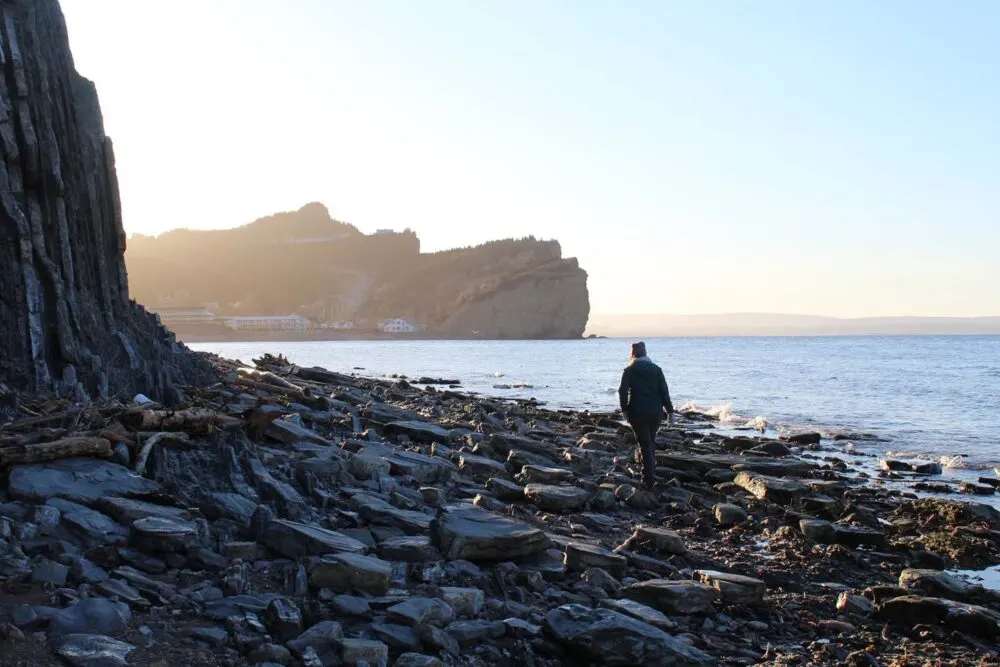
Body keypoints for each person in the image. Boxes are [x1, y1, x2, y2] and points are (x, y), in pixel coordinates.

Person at [618, 341, 674, 488]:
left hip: (637, 412)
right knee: (650, 442)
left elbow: (622, 391)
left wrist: (624, 409)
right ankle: (650, 473)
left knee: (644, 444)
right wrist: (670, 411)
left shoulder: (629, 370)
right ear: (646, 353)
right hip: (656, 412)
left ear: (633, 354)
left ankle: (648, 479)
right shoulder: (656, 369)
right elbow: (664, 392)